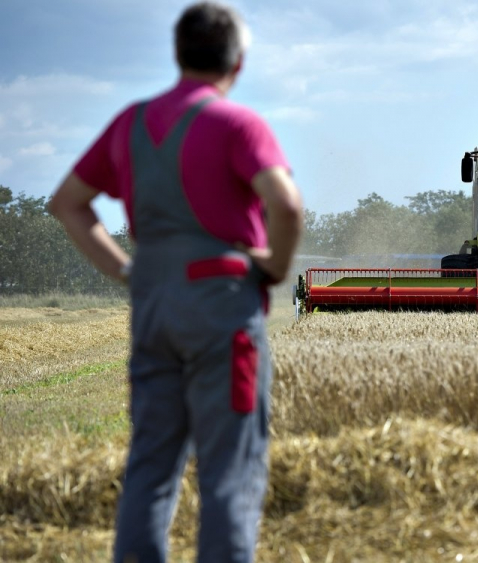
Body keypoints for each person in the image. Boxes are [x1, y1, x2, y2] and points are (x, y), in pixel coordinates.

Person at [48, 3, 302, 562]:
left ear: (177, 53)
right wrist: (276, 267)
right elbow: (285, 204)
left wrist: (125, 270)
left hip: (153, 306)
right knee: (228, 475)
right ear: (237, 62)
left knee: (151, 467)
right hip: (222, 312)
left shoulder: (130, 122)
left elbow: (67, 204)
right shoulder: (237, 123)